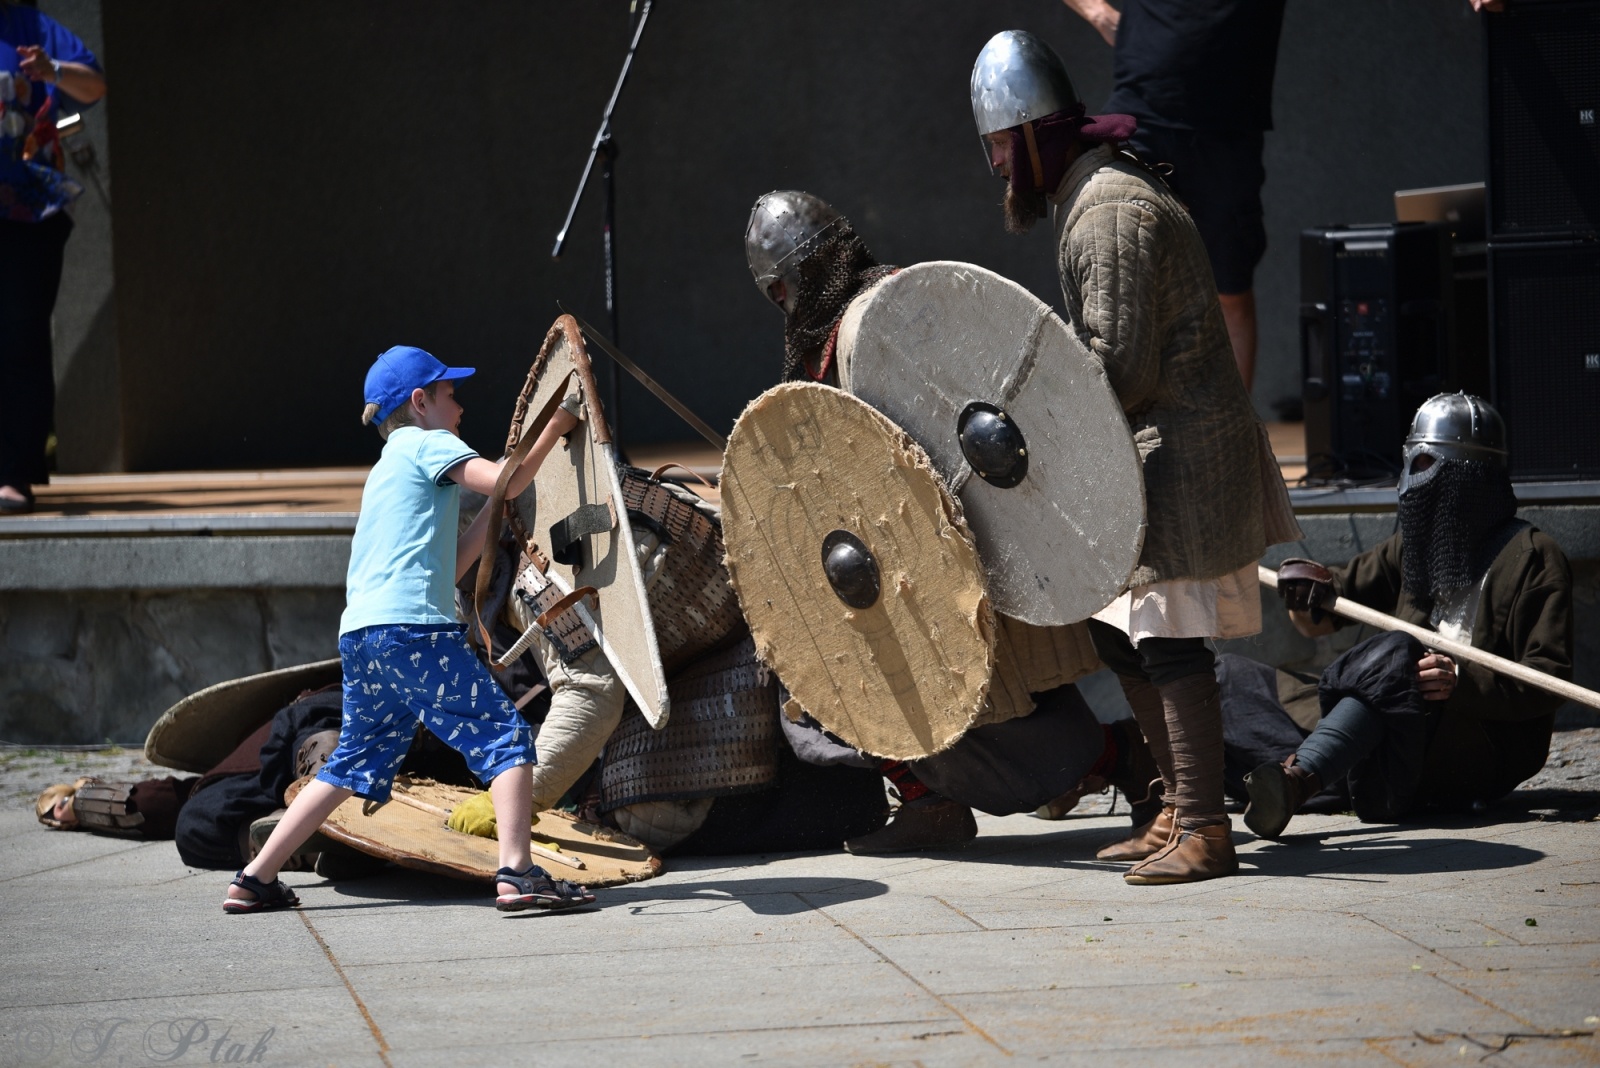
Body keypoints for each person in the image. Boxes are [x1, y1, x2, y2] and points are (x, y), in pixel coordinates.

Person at [970, 31, 1301, 883]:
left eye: (1005, 145)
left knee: (1167, 645)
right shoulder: (1086, 198)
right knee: (1122, 640)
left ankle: (1205, 827)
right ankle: (1169, 810)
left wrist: (1032, 425)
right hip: (1149, 453)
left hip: (1179, 452)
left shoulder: (1108, 211)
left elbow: (1118, 365)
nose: (1000, 166)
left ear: (1040, 135)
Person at [743, 190, 1162, 854]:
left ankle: (935, 801)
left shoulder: (850, 341)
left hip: (948, 573)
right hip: (1013, 551)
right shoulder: (917, 293)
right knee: (1018, 699)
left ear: (781, 291)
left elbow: (876, 491)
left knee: (824, 660)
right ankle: (1115, 764)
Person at [223, 345, 591, 914]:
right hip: (413, 631)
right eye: (450, 394)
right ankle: (518, 872)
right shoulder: (428, 443)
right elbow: (506, 482)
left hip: (362, 637)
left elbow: (457, 558)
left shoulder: (385, 471)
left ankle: (255, 877)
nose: (460, 407)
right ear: (420, 403)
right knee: (505, 738)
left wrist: (498, 527)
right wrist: (557, 424)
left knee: (351, 761)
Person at [1240, 394, 1574, 838]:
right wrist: (1308, 591)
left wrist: (1458, 679)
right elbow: (1330, 607)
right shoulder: (1412, 547)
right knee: (1229, 682)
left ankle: (1303, 778)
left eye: (1424, 467)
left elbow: (1548, 680)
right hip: (1384, 733)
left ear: (1467, 476)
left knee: (1401, 651)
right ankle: (1134, 760)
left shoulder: (1534, 557)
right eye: (1410, 465)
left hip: (1466, 751)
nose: (1412, 483)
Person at [1059, 0, 1286, 393]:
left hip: (1230, 122)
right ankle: (1102, 433)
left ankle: (1238, 447)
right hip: (1142, 106)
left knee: (1231, 288)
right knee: (1108, 257)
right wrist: (1097, 11)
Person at [0, 3, 106, 513]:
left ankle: (13, 472)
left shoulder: (30, 27)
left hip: (26, 211)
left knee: (20, 336)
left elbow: (93, 86)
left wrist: (52, 71)